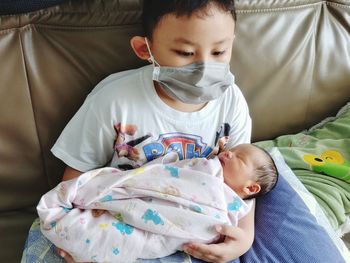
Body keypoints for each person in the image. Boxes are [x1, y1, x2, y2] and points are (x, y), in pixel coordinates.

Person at [24, 1, 254, 262]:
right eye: (185, 53)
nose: (203, 68)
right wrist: (77, 236)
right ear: (145, 49)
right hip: (120, 218)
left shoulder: (230, 100)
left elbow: (242, 179)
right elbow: (75, 182)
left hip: (192, 225)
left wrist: (244, 237)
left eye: (219, 51)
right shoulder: (114, 100)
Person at [37, 144, 278, 262]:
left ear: (250, 188)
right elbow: (164, 176)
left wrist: (244, 239)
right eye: (231, 150)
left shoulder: (234, 207)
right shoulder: (206, 169)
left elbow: (235, 214)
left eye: (239, 157)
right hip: (141, 195)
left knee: (125, 241)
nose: (227, 153)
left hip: (174, 236)